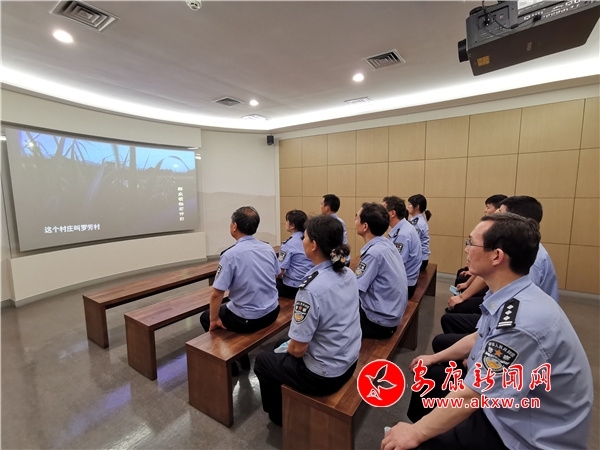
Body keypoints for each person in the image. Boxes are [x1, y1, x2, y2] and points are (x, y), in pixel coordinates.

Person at [382, 213, 593, 450]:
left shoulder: (521, 322)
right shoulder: (510, 293)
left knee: (411, 442)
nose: (466, 249)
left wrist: (416, 434)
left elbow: (473, 395)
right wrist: (434, 357)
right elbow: (479, 336)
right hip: (506, 405)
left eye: (471, 243)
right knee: (431, 374)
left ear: (496, 256)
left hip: (521, 434)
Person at [254, 214, 361, 426]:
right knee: (279, 344)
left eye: (304, 237)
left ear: (314, 245)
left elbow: (297, 350)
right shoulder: (347, 273)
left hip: (324, 376)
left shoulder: (311, 289)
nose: (301, 240)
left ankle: (277, 417)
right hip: (349, 361)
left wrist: (288, 348)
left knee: (262, 361)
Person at [440, 195, 560, 338]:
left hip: (520, 329)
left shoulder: (530, 261)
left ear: (514, 221)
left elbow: (509, 329)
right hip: (502, 318)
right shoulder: (521, 247)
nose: (494, 215)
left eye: (500, 213)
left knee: (446, 331)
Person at [199, 206, 280, 375]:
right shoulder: (267, 248)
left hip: (248, 320)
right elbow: (276, 274)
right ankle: (241, 357)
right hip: (273, 311)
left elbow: (217, 293)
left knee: (206, 318)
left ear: (234, 226)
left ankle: (232, 366)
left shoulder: (230, 255)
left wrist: (214, 320)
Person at [355, 202, 408, 339]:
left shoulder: (373, 253)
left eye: (356, 218)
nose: (355, 222)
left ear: (365, 226)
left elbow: (355, 290)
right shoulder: (386, 243)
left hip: (379, 323)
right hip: (391, 315)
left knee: (332, 316)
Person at [455, 194, 507, 287]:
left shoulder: (501, 234)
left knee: (462, 280)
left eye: (488, 207)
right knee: (462, 273)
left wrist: (465, 290)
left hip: (494, 279)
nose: (485, 210)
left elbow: (488, 267)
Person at [383, 196, 422, 298]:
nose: (380, 214)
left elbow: (396, 265)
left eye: (383, 211)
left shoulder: (403, 234)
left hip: (404, 285)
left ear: (392, 213)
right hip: (406, 280)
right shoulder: (403, 227)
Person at [276, 209, 314, 299]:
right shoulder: (310, 239)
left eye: (287, 221)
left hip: (293, 287)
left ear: (292, 225)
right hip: (310, 284)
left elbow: (279, 272)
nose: (285, 223)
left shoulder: (289, 244)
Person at [407, 194, 431, 271]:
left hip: (420, 260)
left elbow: (413, 241)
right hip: (419, 258)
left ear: (417, 207)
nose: (408, 206)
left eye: (409, 204)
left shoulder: (418, 223)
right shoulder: (416, 220)